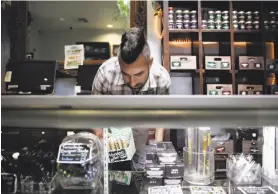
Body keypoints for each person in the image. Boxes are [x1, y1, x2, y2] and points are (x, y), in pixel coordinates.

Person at [92, 26, 170, 175]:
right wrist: (102, 147)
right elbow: (95, 116)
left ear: (150, 63)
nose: (132, 82)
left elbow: (162, 118)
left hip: (143, 138)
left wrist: (156, 150)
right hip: (113, 140)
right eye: (125, 74)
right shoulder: (105, 74)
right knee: (117, 180)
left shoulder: (161, 79)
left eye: (139, 74)